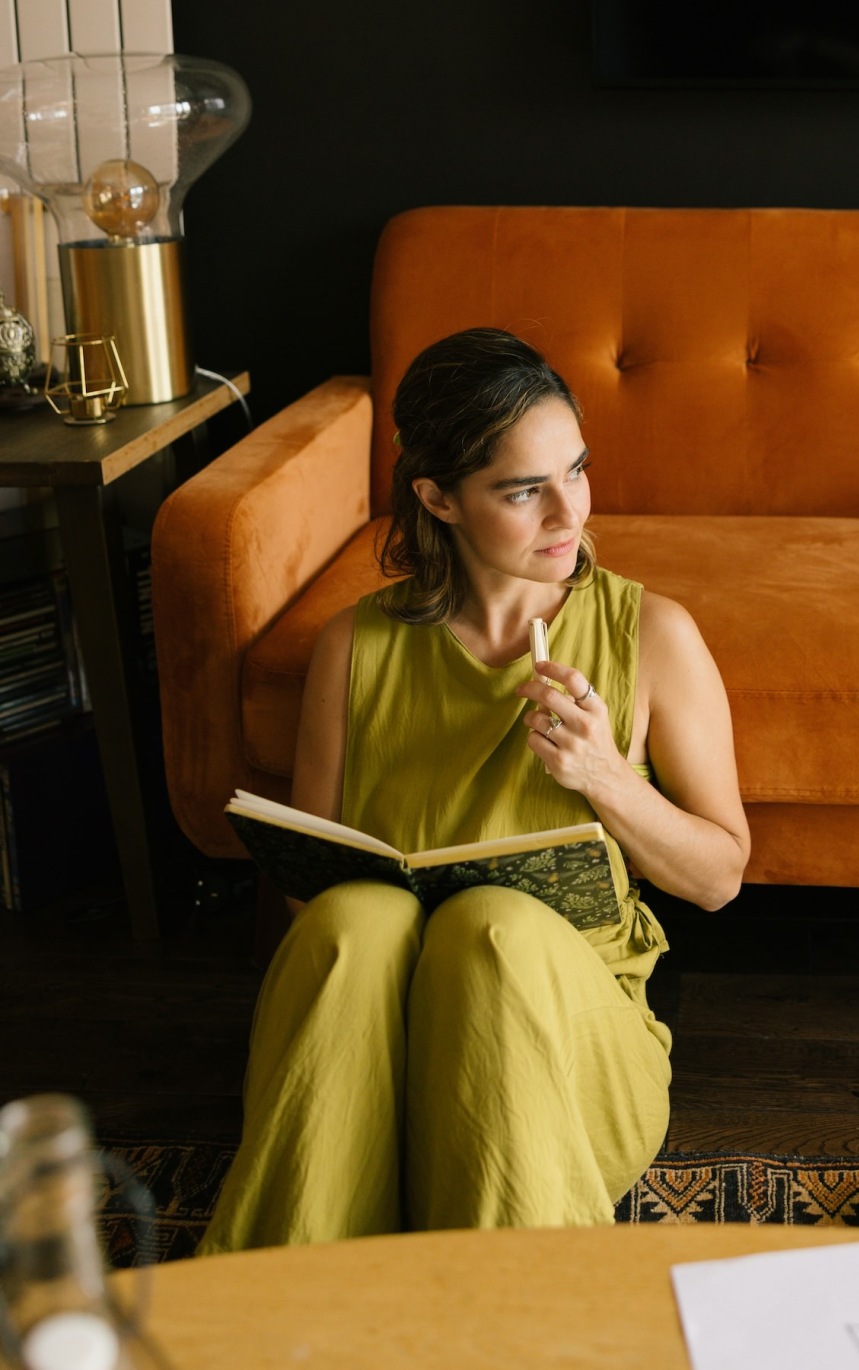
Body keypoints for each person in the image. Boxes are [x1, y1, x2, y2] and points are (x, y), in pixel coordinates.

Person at [198, 328, 749, 1251]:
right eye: (522, 490)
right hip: (380, 1065)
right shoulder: (353, 648)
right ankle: (283, 1315)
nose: (566, 512)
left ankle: (513, 1315)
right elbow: (308, 886)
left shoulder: (654, 635)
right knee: (349, 924)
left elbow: (719, 877)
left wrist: (604, 777)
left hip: (564, 1068)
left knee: (490, 931)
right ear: (437, 498)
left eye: (575, 470)